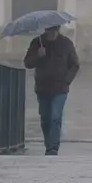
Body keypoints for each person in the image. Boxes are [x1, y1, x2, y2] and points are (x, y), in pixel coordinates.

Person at [22, 25, 80, 156]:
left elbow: (75, 64)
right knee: (45, 118)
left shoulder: (66, 43)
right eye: (49, 31)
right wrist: (38, 55)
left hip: (60, 88)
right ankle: (48, 143)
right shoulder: (37, 42)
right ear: (45, 31)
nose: (52, 34)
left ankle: (53, 148)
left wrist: (66, 81)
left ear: (58, 30)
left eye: (54, 31)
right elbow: (27, 63)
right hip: (42, 87)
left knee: (55, 116)